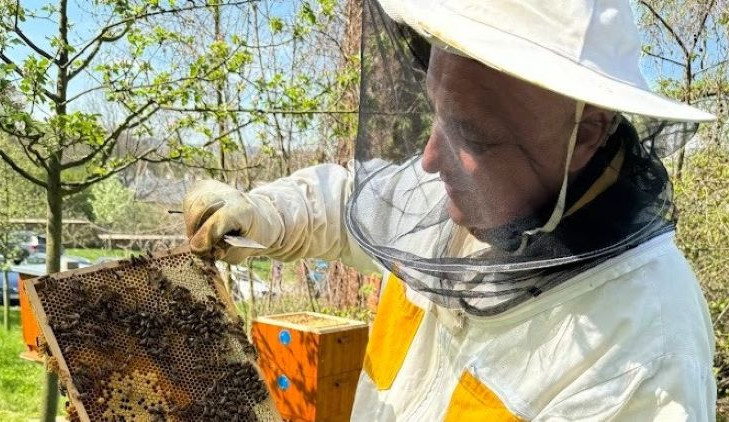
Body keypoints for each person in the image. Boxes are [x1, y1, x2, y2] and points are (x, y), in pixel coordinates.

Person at [183, 0, 717, 419]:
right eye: (438, 116)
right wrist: (262, 213)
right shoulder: (465, 197)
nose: (431, 160)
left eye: (473, 137)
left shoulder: (643, 360)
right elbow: (348, 201)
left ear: (587, 134)